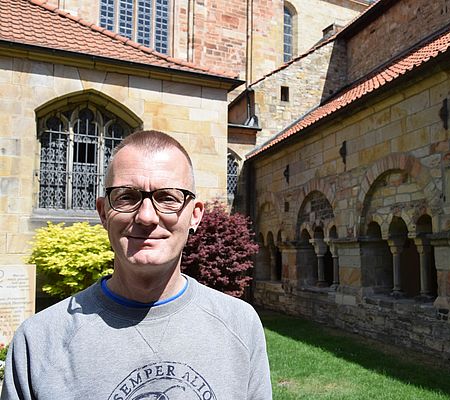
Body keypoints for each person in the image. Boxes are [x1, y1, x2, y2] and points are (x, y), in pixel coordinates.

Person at [1, 130, 272, 400]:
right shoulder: (37, 342)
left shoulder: (240, 324)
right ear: (103, 213)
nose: (146, 216)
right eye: (127, 197)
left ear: (195, 215)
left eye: (167, 197)